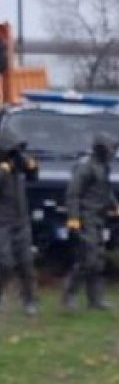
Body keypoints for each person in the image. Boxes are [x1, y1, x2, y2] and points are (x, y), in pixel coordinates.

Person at [62, 132, 119, 310]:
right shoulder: (85, 168)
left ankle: (95, 299)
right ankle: (70, 294)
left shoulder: (103, 167)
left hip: (98, 218)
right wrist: (73, 218)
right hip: (85, 218)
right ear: (101, 150)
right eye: (112, 149)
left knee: (98, 260)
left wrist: (115, 206)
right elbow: (72, 194)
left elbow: (106, 190)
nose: (114, 153)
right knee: (87, 260)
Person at [0, 127, 39, 315]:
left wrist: (32, 166)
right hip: (2, 222)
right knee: (5, 262)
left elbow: (33, 177)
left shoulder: (18, 165)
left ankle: (30, 300)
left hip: (21, 220)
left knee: (26, 263)